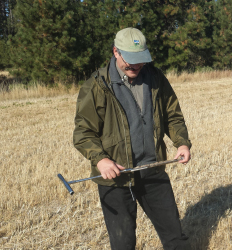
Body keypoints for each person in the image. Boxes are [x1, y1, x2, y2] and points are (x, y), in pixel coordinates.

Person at [73, 27, 192, 250]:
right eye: (130, 60)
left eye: (140, 60)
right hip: (116, 179)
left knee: (176, 238)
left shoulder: (155, 78)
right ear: (115, 52)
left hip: (153, 170)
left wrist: (182, 142)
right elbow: (83, 132)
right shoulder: (96, 86)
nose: (136, 66)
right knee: (123, 243)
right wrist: (101, 160)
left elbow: (173, 115)